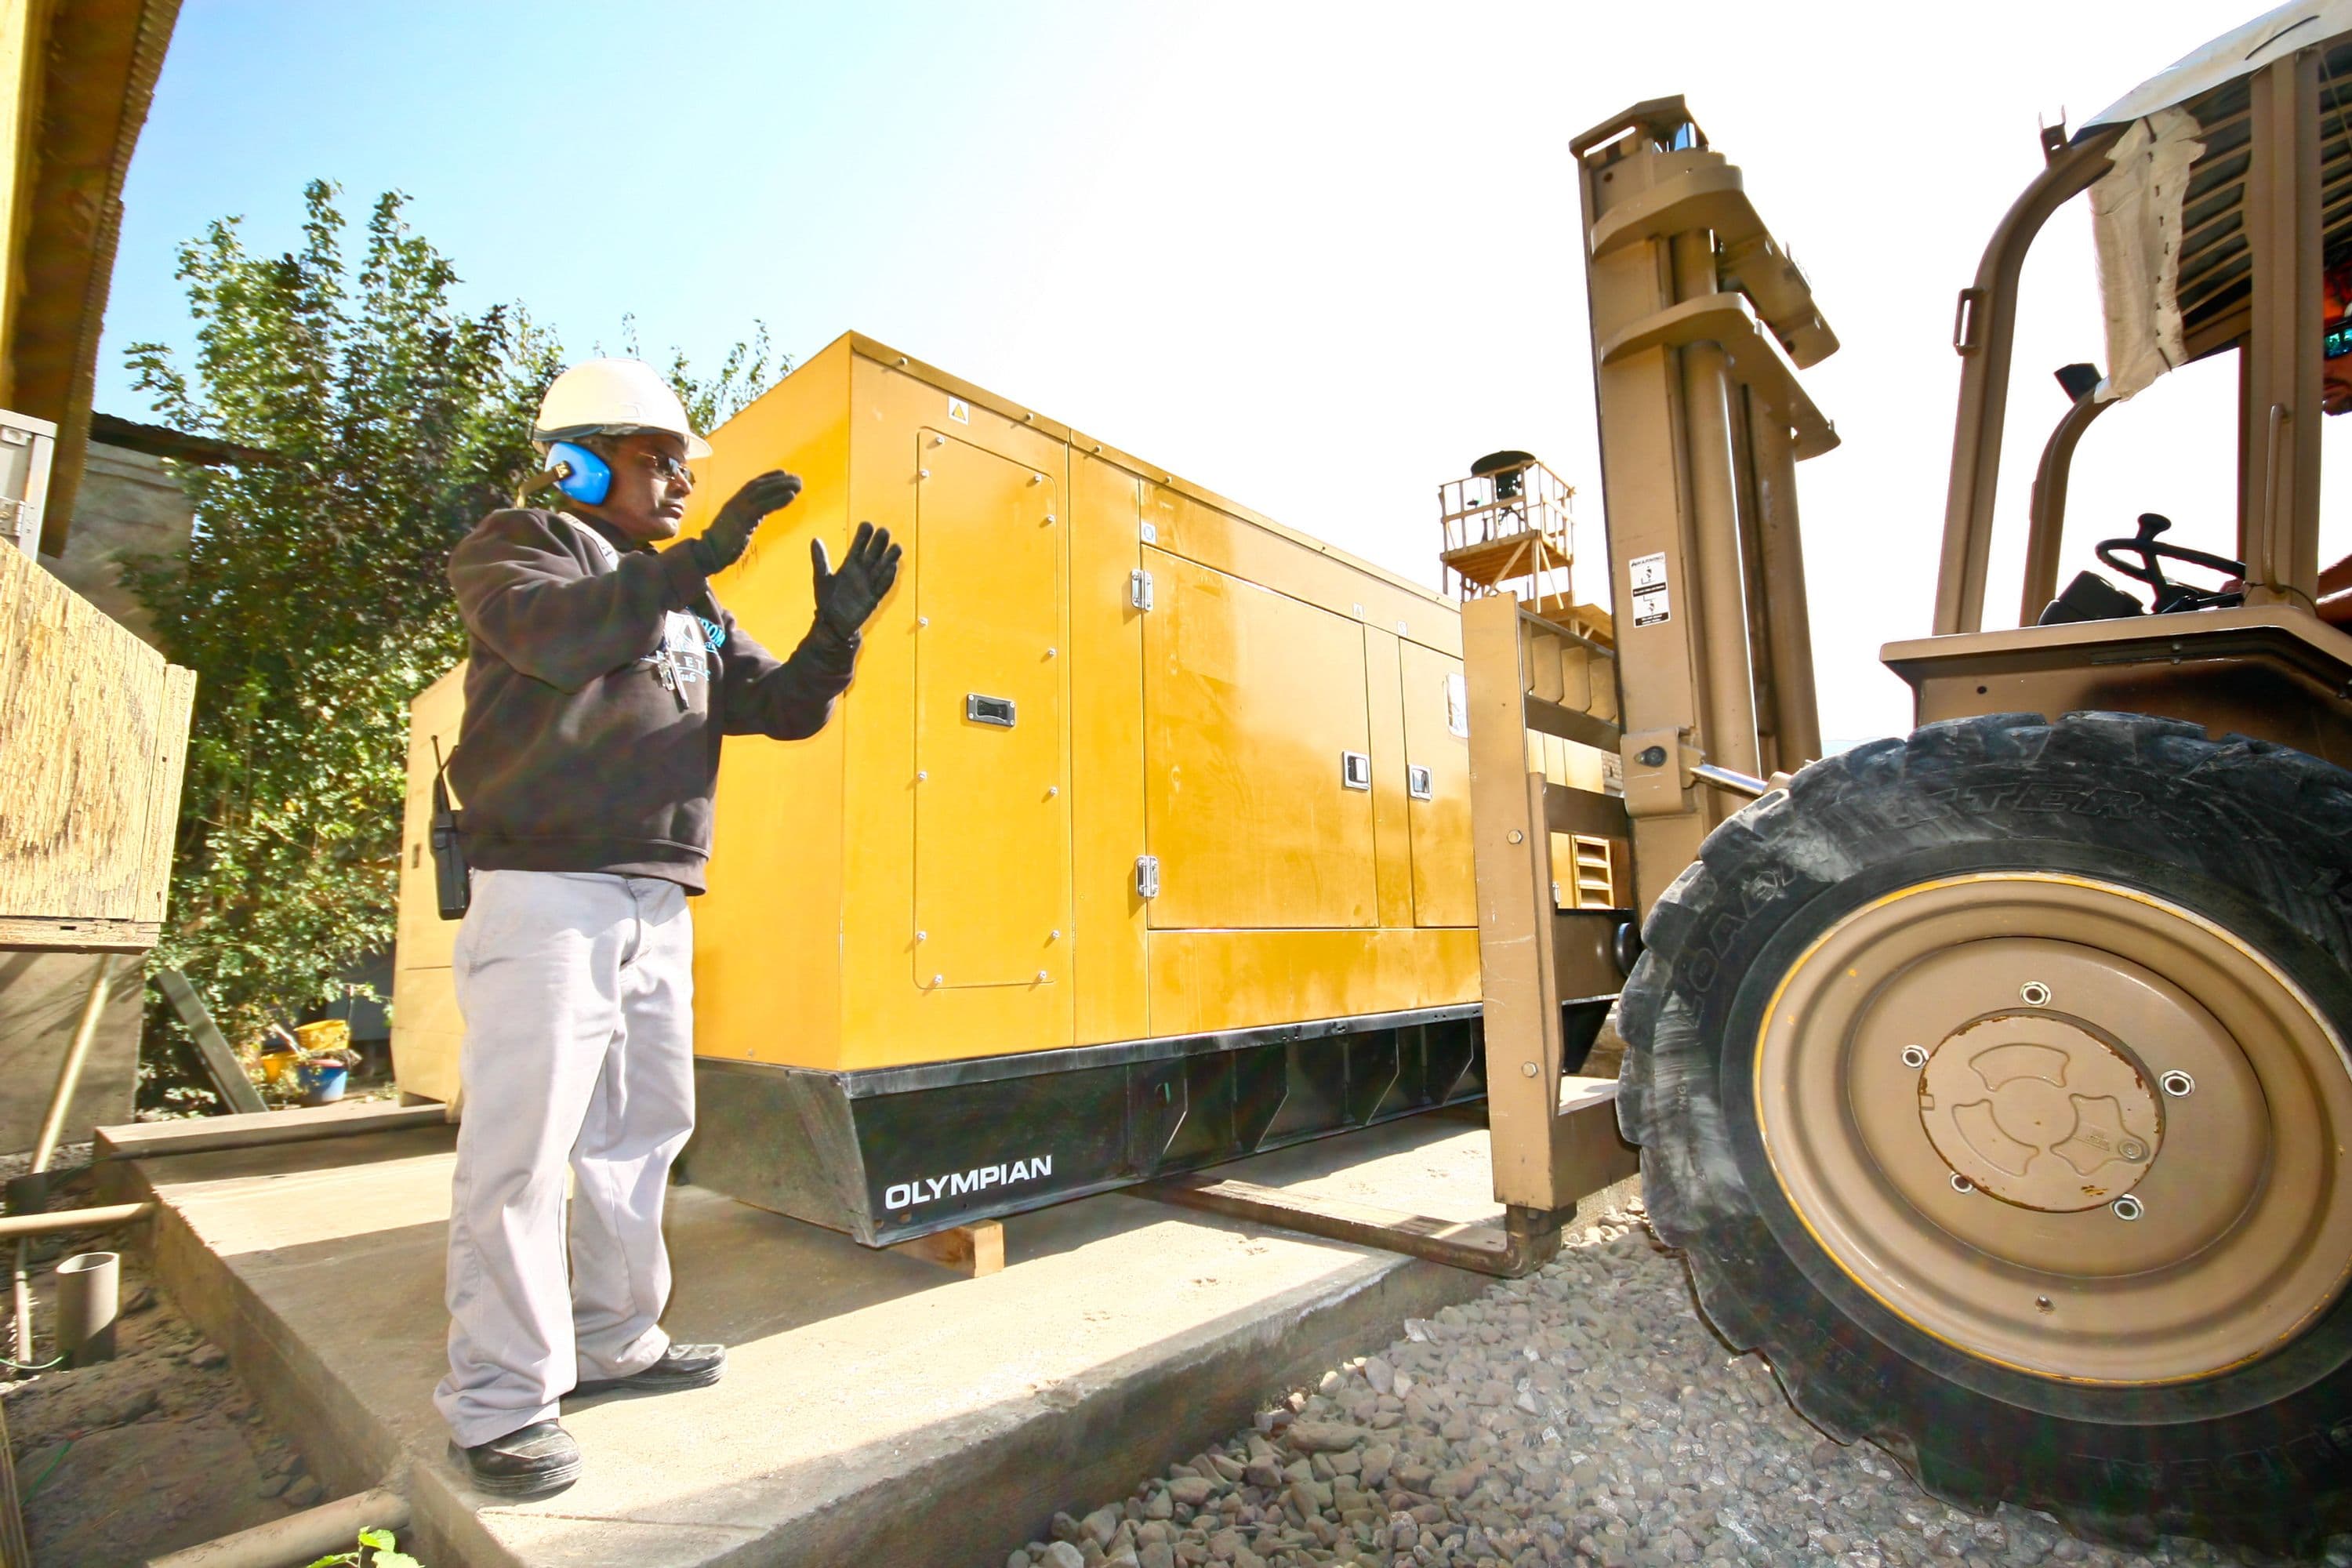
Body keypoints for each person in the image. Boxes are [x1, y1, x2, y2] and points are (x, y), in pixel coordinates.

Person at [434, 358, 901, 1497]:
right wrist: (696, 561)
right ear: (579, 463)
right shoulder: (519, 545)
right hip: (545, 888)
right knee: (523, 1152)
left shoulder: (686, 601)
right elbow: (553, 637)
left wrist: (834, 638)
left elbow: (777, 709)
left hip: (655, 894)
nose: (684, 484)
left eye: (685, 465)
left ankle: (615, 1339)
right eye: (658, 460)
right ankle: (500, 1403)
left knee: (640, 1132)